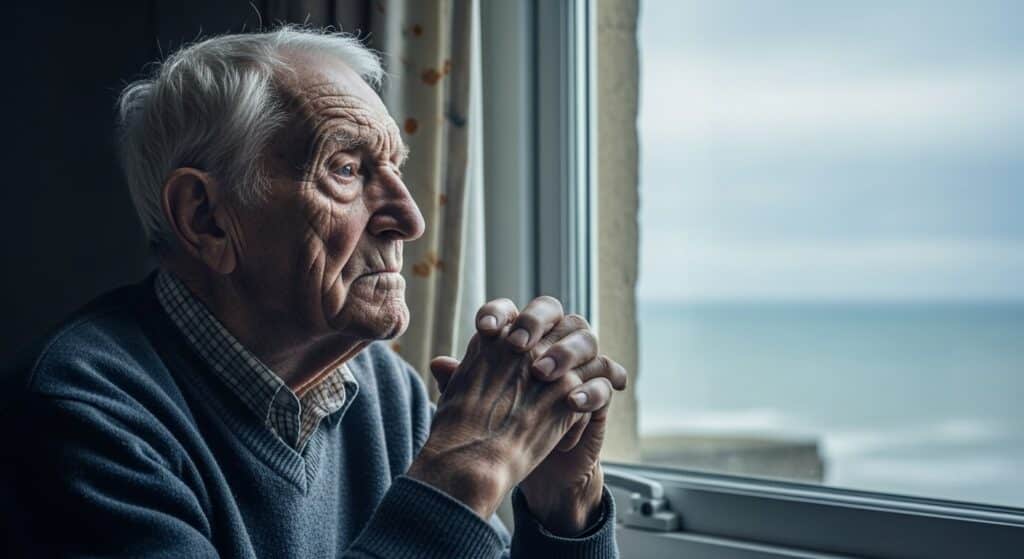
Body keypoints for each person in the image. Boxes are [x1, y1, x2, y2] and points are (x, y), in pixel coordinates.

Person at [0, 27, 627, 558]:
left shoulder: (386, 389)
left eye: (396, 169)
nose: (410, 219)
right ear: (206, 219)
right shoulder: (82, 414)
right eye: (346, 169)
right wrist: (464, 471)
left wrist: (563, 508)